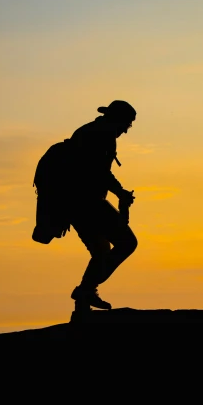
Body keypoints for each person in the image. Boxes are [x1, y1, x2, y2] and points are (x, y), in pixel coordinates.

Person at [67, 100, 138, 312]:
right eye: (127, 124)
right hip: (87, 203)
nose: (126, 130)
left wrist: (119, 193)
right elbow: (99, 172)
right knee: (127, 243)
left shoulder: (89, 131)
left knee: (100, 251)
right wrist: (120, 193)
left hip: (74, 204)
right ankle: (86, 289)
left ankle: (84, 298)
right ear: (118, 119)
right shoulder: (101, 134)